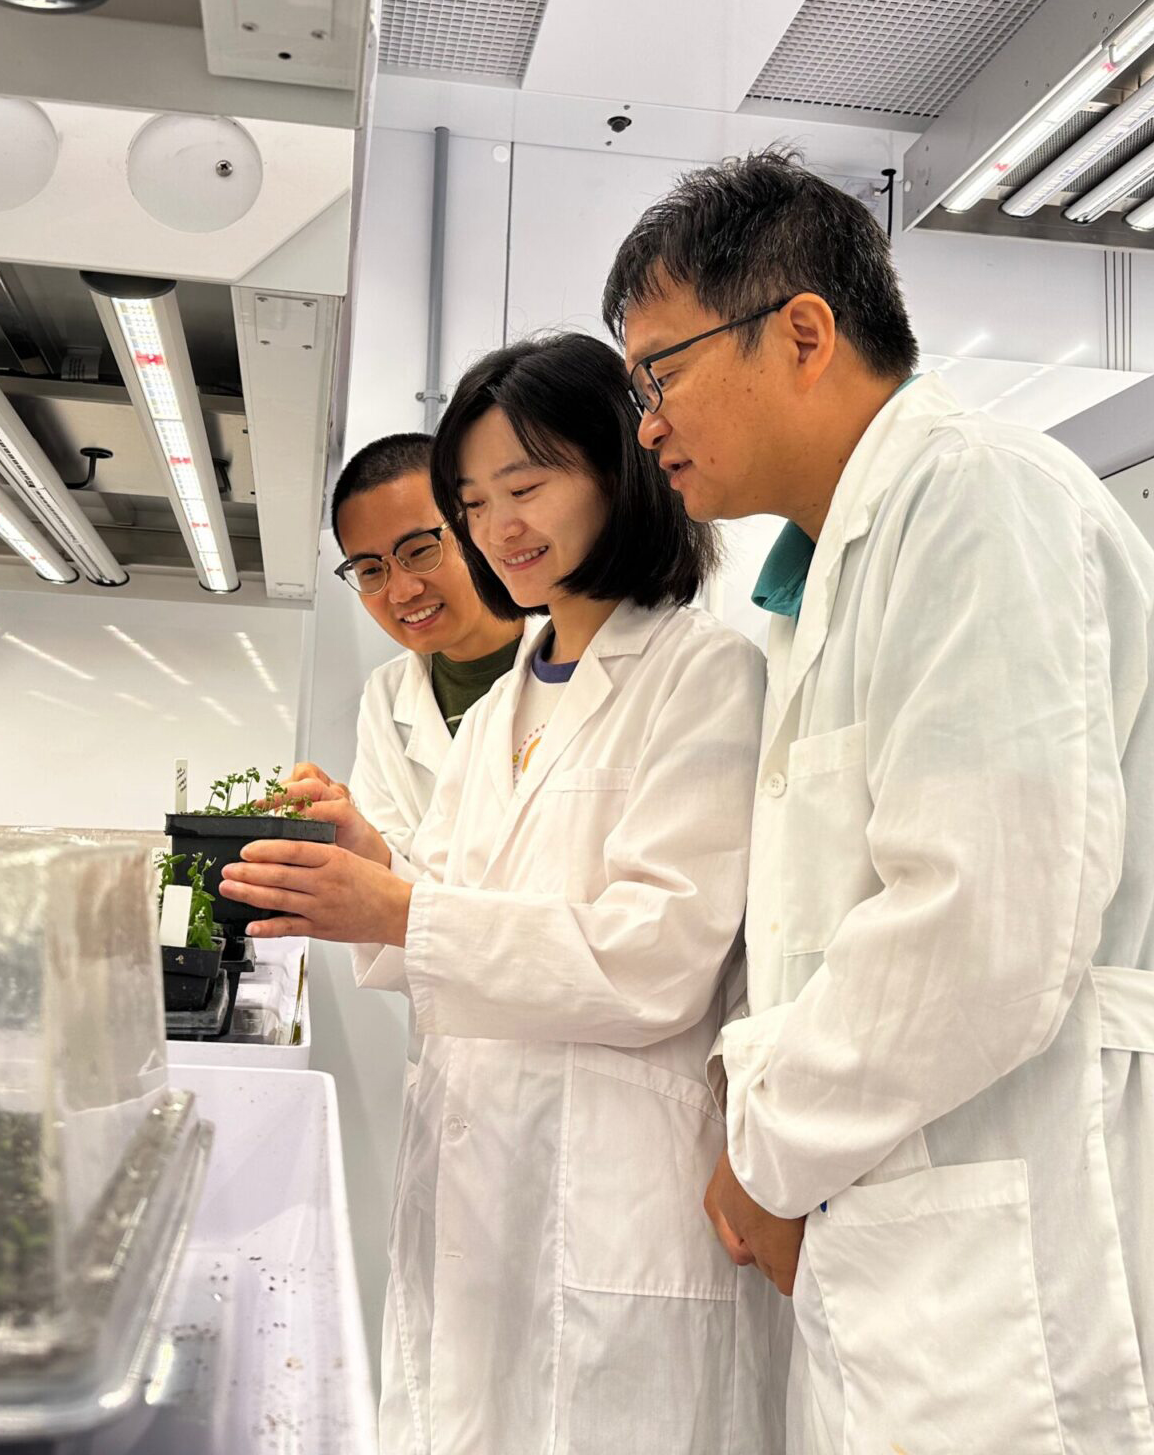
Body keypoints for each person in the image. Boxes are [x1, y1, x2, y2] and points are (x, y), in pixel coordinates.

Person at [601, 150, 1154, 1454]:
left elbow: (982, 926)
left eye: (662, 371)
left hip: (1036, 1240)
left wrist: (765, 1153)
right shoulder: (824, 579)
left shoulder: (975, 497)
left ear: (801, 331)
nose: (646, 424)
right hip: (921, 1248)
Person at [218, 333, 787, 1453]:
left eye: (528, 485)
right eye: (474, 501)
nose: (499, 528)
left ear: (622, 472)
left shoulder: (702, 676)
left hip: (621, 1202)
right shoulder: (495, 716)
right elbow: (451, 923)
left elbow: (655, 959)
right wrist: (374, 866)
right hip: (482, 1202)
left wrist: (402, 911)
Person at [305, 433, 522, 863]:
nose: (402, 591)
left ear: (472, 523)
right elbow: (392, 865)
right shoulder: (385, 697)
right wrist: (352, 834)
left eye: (419, 550)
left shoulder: (574, 657)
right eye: (370, 569)